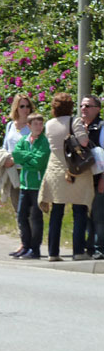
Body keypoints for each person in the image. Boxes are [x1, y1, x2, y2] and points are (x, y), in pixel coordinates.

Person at [38, 92, 94, 261]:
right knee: (79, 210)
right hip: (76, 170)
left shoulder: (49, 124)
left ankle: (53, 252)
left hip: (55, 170)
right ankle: (78, 251)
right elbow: (83, 143)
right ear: (70, 107)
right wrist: (84, 131)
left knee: (57, 212)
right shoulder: (74, 121)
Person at [11, 113, 49, 259]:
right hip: (24, 185)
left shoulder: (44, 142)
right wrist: (28, 158)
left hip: (37, 185)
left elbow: (38, 162)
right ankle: (25, 246)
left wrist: (26, 159)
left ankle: (35, 249)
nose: (39, 127)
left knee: (36, 218)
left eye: (41, 124)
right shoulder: (24, 140)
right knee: (21, 216)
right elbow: (16, 155)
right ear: (29, 126)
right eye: (35, 124)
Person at [2, 93, 33, 255]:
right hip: (13, 173)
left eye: (27, 106)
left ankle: (31, 244)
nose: (25, 109)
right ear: (16, 108)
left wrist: (16, 158)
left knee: (29, 210)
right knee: (18, 211)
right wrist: (4, 159)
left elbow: (34, 150)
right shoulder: (10, 126)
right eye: (22, 106)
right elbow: (5, 147)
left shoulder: (33, 126)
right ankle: (23, 242)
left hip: (28, 172)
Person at [77, 96, 104, 258]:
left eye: (88, 105)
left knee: (99, 216)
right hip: (82, 179)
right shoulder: (79, 127)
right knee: (85, 215)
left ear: (98, 109)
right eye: (81, 105)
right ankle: (89, 247)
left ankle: (100, 248)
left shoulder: (102, 127)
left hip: (98, 179)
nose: (83, 108)